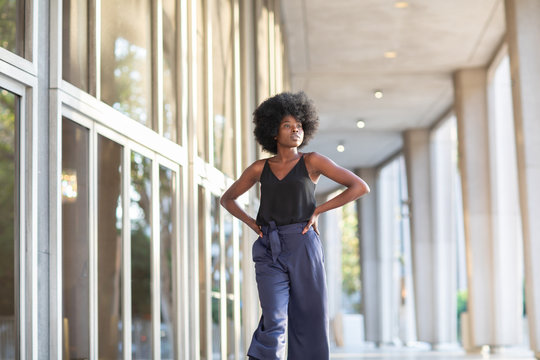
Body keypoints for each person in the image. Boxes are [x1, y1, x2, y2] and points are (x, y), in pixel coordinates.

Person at [220, 91, 370, 360]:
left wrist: (319, 210)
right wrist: (253, 224)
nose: (295, 130)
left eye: (299, 125)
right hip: (269, 248)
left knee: (309, 318)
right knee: (274, 317)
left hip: (303, 244)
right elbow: (228, 199)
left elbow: (359, 186)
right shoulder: (259, 168)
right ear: (273, 133)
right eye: (287, 125)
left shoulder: (312, 161)